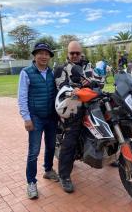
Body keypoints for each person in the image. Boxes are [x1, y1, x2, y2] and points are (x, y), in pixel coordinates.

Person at [18, 42, 58, 199]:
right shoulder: (26, 72)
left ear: (49, 56)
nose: (44, 56)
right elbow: (22, 97)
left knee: (50, 147)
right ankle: (31, 183)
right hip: (35, 117)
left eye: (46, 53)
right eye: (40, 53)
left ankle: (48, 170)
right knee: (34, 151)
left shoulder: (52, 72)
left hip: (52, 117)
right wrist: (26, 118)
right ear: (34, 55)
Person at [54, 41, 90, 193]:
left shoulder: (87, 66)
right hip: (72, 108)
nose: (75, 55)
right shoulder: (61, 69)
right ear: (67, 54)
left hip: (90, 104)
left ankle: (112, 156)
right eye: (72, 53)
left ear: (81, 53)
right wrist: (74, 87)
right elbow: (61, 86)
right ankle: (64, 176)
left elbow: (97, 80)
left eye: (77, 53)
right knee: (71, 139)